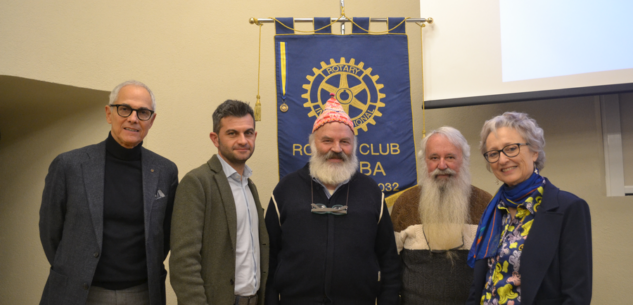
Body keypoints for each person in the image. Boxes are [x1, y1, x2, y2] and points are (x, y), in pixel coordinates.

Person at [39, 80, 179, 305]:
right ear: (109, 113)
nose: (133, 118)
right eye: (124, 109)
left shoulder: (165, 171)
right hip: (79, 292)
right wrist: (76, 269)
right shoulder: (69, 165)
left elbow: (163, 237)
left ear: (151, 121)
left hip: (141, 293)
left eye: (143, 112)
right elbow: (50, 231)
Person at [265, 93, 401, 305]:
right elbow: (269, 257)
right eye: (327, 141)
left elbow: (389, 260)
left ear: (353, 146)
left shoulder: (372, 192)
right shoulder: (285, 190)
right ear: (313, 144)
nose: (336, 149)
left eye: (344, 142)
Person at [467, 112, 592, 305]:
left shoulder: (568, 208)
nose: (502, 160)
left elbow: (576, 295)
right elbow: (483, 282)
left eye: (511, 148)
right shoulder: (492, 210)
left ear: (534, 151)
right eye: (493, 153)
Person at [170, 100, 268, 305]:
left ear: (255, 136)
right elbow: (184, 262)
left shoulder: (250, 186)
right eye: (232, 133)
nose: (243, 140)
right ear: (215, 139)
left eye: (248, 133)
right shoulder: (197, 182)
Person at [391, 126, 492, 304]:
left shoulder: (486, 204)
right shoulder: (405, 203)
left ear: (464, 160)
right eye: (434, 158)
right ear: (425, 163)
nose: (442, 165)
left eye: (450, 157)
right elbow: (390, 267)